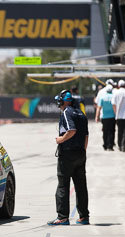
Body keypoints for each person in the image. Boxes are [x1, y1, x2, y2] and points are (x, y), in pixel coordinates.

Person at [48, 90, 90, 226]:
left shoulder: (67, 112)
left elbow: (72, 130)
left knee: (63, 186)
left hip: (67, 154)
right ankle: (84, 217)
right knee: (81, 186)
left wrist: (61, 139)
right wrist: (82, 151)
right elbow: (86, 136)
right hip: (80, 153)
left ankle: (62, 217)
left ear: (62, 101)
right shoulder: (81, 114)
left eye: (58, 101)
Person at [95, 84, 115, 151]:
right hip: (112, 116)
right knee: (111, 131)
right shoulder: (113, 97)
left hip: (104, 117)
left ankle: (105, 145)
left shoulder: (102, 97)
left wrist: (97, 116)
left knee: (105, 131)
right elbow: (115, 107)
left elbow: (99, 108)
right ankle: (110, 146)